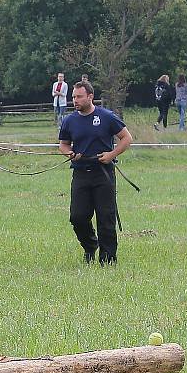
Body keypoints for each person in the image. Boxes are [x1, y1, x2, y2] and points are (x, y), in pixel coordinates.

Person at [58, 81, 132, 264]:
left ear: (90, 96)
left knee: (106, 218)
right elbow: (63, 144)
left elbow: (126, 138)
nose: (75, 100)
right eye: (73, 97)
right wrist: (69, 153)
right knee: (77, 217)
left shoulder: (107, 117)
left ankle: (107, 260)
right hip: (81, 173)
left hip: (103, 173)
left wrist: (111, 155)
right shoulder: (69, 120)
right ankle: (91, 245)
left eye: (79, 96)